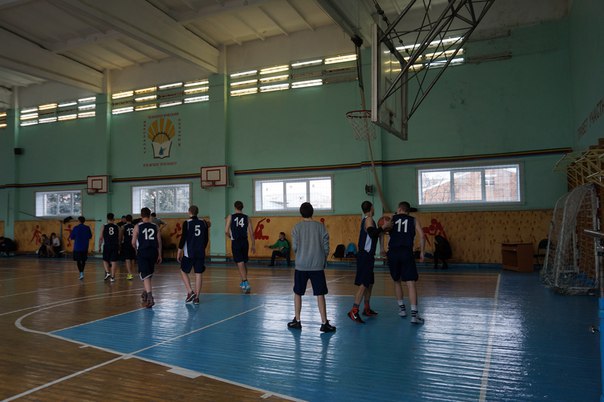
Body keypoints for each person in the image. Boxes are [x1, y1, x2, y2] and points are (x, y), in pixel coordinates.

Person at [288, 202, 335, 333]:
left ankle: (297, 321)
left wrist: (301, 254)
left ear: (301, 213)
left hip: (301, 266)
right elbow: (326, 247)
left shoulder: (296, 227)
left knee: (298, 293)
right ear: (312, 212)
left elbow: (295, 247)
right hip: (317, 266)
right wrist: (323, 259)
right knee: (320, 294)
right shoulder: (321, 227)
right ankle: (324, 323)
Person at [347, 201, 389, 324]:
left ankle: (366, 308)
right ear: (371, 208)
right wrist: (383, 227)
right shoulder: (368, 220)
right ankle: (354, 311)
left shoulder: (371, 220)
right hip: (364, 256)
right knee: (364, 284)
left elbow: (377, 234)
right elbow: (372, 233)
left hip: (368, 256)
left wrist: (382, 247)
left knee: (369, 283)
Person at [386, 201, 425, 324]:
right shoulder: (413, 220)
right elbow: (422, 236)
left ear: (399, 209)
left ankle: (402, 309)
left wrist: (384, 247)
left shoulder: (392, 218)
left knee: (397, 281)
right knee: (411, 283)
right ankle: (414, 315)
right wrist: (422, 252)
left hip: (393, 252)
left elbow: (386, 233)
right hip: (406, 252)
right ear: (408, 211)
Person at [177, 205, 210, 305]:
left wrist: (179, 251)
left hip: (189, 252)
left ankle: (190, 291)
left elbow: (183, 238)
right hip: (200, 251)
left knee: (183, 271)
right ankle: (197, 298)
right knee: (198, 273)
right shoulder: (203, 222)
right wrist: (202, 248)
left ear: (189, 212)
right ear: (197, 212)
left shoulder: (187, 223)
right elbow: (206, 238)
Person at [132, 207, 162, 308]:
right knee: (148, 273)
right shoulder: (155, 226)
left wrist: (136, 250)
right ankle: (145, 291)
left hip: (143, 252)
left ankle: (150, 297)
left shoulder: (137, 226)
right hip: (153, 252)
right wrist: (159, 254)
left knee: (145, 274)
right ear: (150, 215)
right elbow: (159, 242)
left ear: (141, 216)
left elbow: (133, 242)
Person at [225, 201, 256, 293]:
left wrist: (230, 236)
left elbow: (226, 231)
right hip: (245, 241)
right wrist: (253, 244)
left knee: (240, 262)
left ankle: (245, 281)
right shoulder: (247, 217)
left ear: (235, 207)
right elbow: (251, 232)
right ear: (242, 207)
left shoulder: (231, 216)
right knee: (243, 262)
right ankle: (243, 281)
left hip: (236, 241)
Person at [99, 213, 120, 282]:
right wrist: (119, 246)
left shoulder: (104, 226)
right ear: (113, 218)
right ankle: (112, 277)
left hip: (107, 245)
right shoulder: (117, 226)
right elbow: (119, 238)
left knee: (105, 260)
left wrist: (99, 246)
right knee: (114, 261)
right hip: (115, 245)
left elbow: (101, 237)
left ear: (107, 218)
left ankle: (108, 272)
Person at [119, 214, 136, 280]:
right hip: (134, 243)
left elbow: (120, 237)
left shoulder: (123, 227)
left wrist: (120, 244)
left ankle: (130, 273)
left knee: (127, 259)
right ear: (132, 219)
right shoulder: (135, 226)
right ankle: (131, 272)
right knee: (133, 259)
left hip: (126, 244)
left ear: (126, 219)